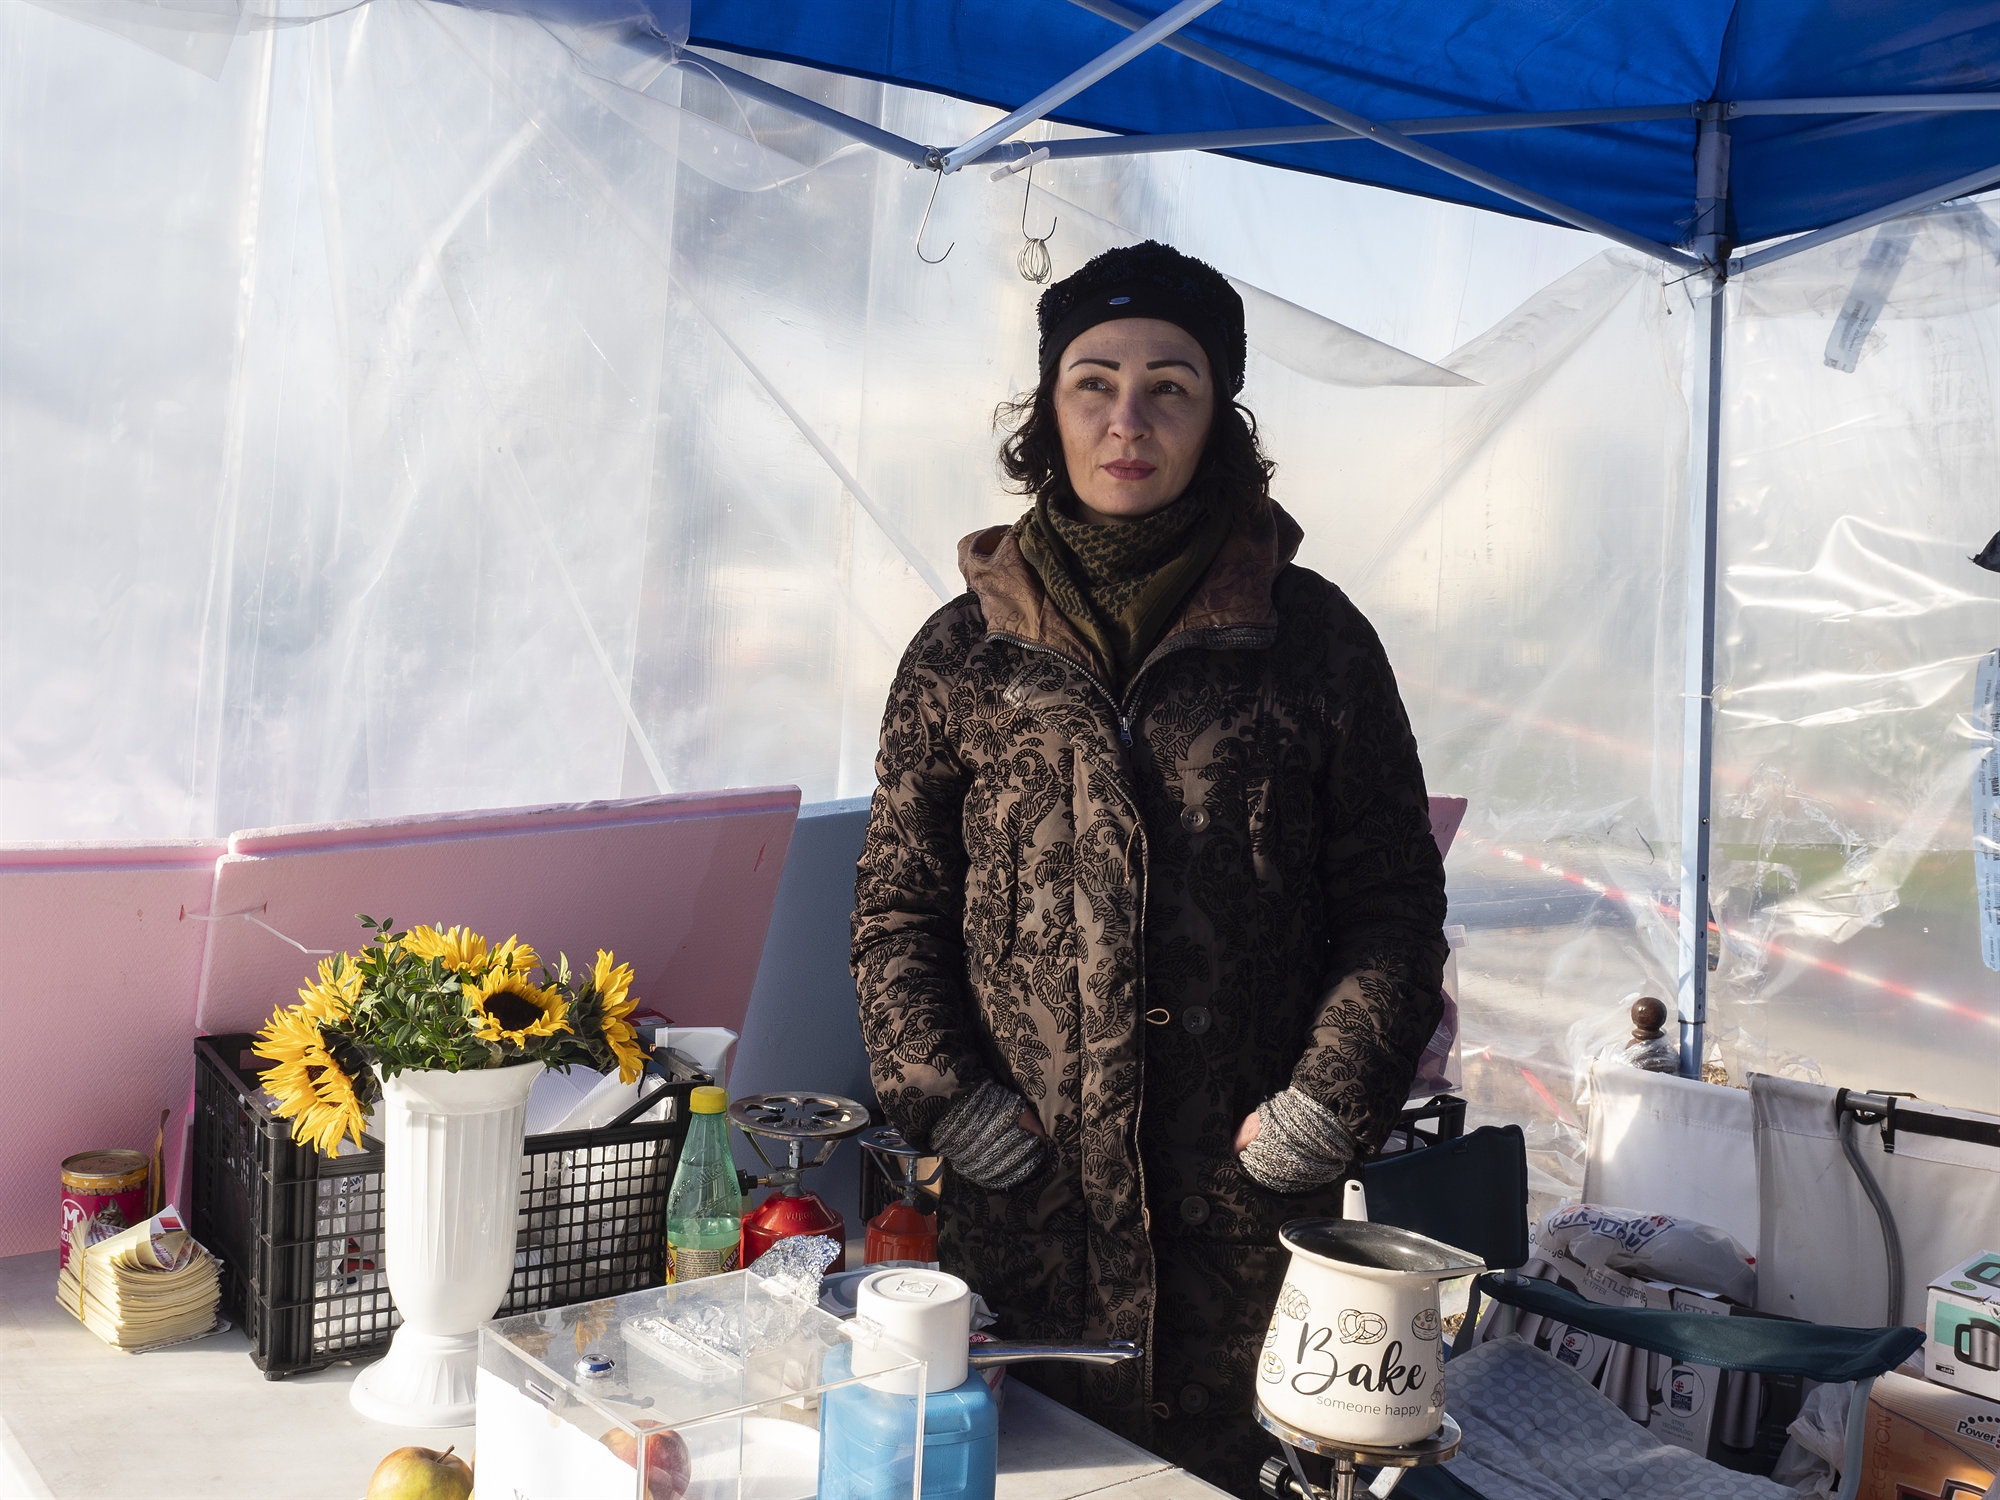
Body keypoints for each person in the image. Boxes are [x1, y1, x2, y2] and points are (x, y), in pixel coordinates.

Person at [850, 240, 1448, 1496]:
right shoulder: (963, 656)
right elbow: (897, 906)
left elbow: (1390, 907)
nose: (1128, 419)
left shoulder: (1313, 641)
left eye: (1168, 384)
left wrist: (1326, 1105)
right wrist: (941, 1093)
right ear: (1045, 409)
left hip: (1243, 1223)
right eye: (1093, 381)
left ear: (1215, 414)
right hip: (1024, 1218)